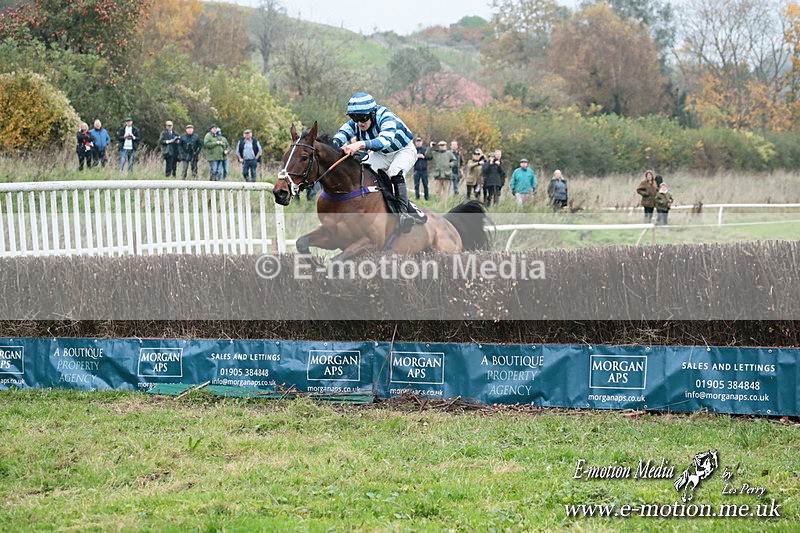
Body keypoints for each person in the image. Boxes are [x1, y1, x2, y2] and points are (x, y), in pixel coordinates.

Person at [332, 92, 417, 232]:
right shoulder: (358, 122)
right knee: (363, 171)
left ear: (372, 113)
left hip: (403, 150)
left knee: (394, 172)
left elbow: (384, 141)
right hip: (382, 154)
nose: (359, 122)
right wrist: (334, 147)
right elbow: (341, 135)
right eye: (354, 118)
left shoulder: (386, 117)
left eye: (363, 118)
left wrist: (359, 144)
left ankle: (403, 214)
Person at [412, 137, 429, 201]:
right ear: (415, 143)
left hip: (424, 170)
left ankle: (427, 198)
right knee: (416, 185)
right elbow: (410, 159)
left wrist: (423, 157)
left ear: (421, 142)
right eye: (417, 142)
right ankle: (417, 198)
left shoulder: (425, 149)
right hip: (416, 170)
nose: (418, 143)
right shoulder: (413, 150)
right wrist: (416, 157)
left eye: (419, 141)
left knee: (425, 185)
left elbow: (429, 157)